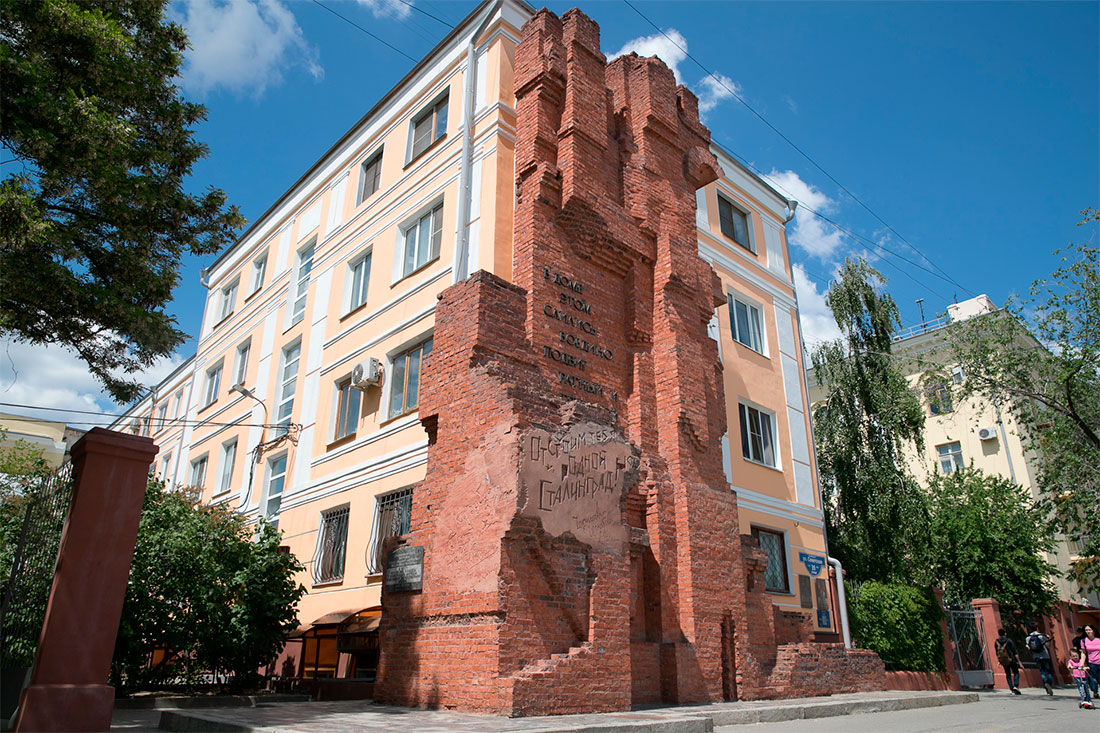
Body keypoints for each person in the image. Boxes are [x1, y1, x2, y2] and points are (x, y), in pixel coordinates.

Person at [1026, 624, 1055, 695]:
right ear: (1037, 628)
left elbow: (1028, 647)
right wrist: (1048, 639)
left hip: (1036, 656)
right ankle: (1048, 683)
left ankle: (1045, 684)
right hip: (1045, 656)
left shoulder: (1028, 638)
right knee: (1049, 672)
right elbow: (1048, 646)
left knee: (1042, 672)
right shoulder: (1041, 636)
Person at [994, 628, 1023, 694]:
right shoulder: (1009, 641)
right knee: (1016, 672)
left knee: (1008, 674)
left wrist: (999, 660)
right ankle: (1015, 686)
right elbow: (1015, 652)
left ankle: (1011, 689)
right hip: (1011, 659)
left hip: (1004, 660)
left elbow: (997, 652)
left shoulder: (996, 642)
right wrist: (1019, 662)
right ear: (1005, 633)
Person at [1082, 624, 1100, 698]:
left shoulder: (1098, 640)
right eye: (1086, 630)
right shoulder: (1084, 641)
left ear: (1093, 631)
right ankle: (1095, 692)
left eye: (1089, 630)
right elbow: (1083, 653)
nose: (1088, 631)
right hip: (1092, 663)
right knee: (1093, 680)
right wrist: (1082, 663)